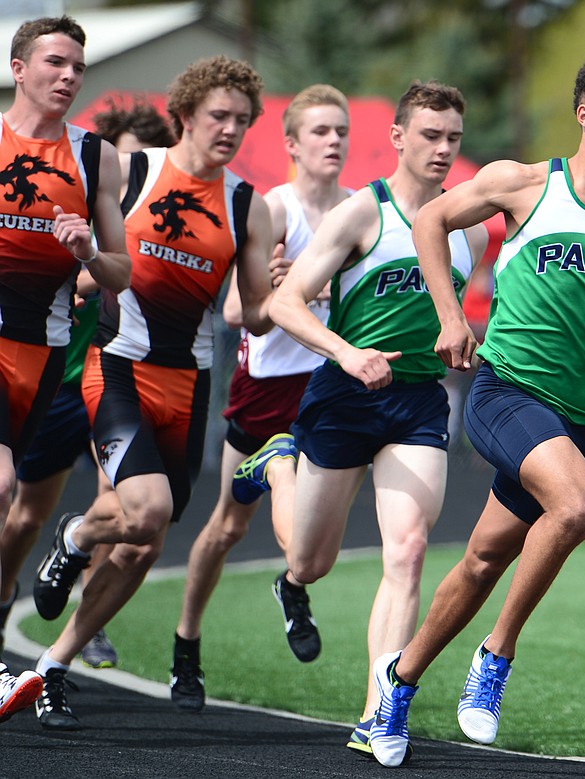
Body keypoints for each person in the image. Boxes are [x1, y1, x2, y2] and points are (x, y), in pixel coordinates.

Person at [365, 49, 585, 768]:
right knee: (577, 506)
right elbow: (428, 222)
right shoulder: (522, 185)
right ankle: (497, 653)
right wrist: (449, 317)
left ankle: (395, 684)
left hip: (574, 418)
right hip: (505, 390)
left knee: (483, 559)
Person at [29, 55, 276, 731]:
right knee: (145, 506)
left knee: (144, 540)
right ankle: (76, 534)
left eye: (242, 120)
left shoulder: (247, 206)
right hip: (119, 368)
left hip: (188, 384)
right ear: (188, 113)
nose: (230, 129)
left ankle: (52, 663)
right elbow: (87, 258)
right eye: (218, 116)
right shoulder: (134, 171)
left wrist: (276, 289)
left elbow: (249, 314)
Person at [266, 80, 488, 756]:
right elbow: (287, 303)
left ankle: (377, 711)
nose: (444, 148)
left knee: (410, 548)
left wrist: (472, 340)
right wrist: (348, 351)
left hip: (418, 400)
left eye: (453, 137)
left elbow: (472, 311)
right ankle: (278, 467)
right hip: (343, 394)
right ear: (397, 138)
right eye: (430, 135)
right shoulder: (364, 213)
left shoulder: (471, 225)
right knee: (310, 558)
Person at [168, 83, 352, 715]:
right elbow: (232, 312)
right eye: (321, 132)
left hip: (327, 385)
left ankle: (293, 582)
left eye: (341, 131)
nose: (334, 142)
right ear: (293, 143)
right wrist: (273, 297)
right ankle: (185, 646)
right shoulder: (273, 210)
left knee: (318, 527)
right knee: (225, 526)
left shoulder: (359, 210)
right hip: (267, 387)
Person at [0, 97, 174, 672]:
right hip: (55, 376)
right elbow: (72, 281)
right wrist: (88, 260)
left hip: (117, 377)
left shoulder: (156, 217)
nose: (127, 182)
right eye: (120, 168)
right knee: (24, 512)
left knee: (123, 499)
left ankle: (82, 627)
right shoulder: (74, 206)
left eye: (137, 170)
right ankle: (3, 607)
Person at [0, 15, 132, 722]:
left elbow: (123, 269)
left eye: (78, 67)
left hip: (46, 351)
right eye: (54, 62)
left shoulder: (95, 158)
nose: (68, 76)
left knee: (22, 513)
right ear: (19, 67)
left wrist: (86, 252)